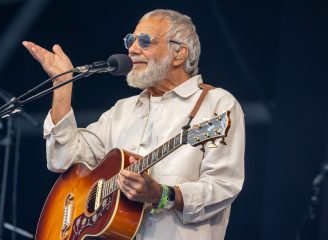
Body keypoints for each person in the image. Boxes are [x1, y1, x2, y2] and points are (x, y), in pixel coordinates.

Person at [23, 9, 245, 240]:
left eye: (145, 41)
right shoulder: (122, 110)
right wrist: (62, 85)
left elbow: (223, 186)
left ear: (179, 54)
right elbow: (63, 159)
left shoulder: (216, 104)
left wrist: (161, 194)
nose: (132, 49)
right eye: (131, 40)